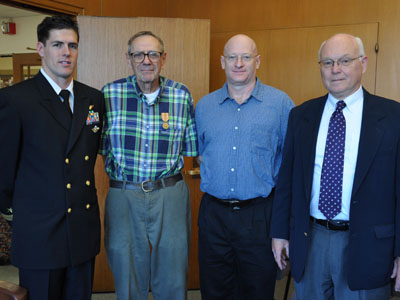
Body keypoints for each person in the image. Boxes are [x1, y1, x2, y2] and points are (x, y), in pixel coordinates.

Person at [271, 33, 400, 300]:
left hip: (369, 245)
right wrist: (280, 233)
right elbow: (287, 181)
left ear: (363, 63)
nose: (336, 69)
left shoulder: (393, 117)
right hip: (311, 239)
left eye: (344, 60)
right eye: (327, 62)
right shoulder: (301, 116)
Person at [0, 15, 104, 300]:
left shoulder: (93, 99)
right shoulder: (15, 100)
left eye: (72, 45)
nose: (66, 52)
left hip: (81, 230)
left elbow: (88, 153)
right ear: (40, 48)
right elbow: (3, 173)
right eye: (57, 44)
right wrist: (24, 214)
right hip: (40, 234)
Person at [99, 31, 198, 300]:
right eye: (138, 54)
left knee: (173, 271)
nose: (146, 60)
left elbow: (191, 149)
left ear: (163, 58)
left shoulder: (181, 95)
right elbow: (97, 146)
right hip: (124, 194)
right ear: (129, 58)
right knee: (126, 268)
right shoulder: (109, 94)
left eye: (153, 54)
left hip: (170, 193)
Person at [195, 34, 294, 300]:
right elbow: (200, 154)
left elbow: (290, 163)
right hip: (214, 215)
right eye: (232, 57)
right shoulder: (204, 106)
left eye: (246, 57)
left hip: (259, 215)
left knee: (258, 291)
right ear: (222, 62)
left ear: (257, 61)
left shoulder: (281, 104)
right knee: (214, 290)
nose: (239, 63)